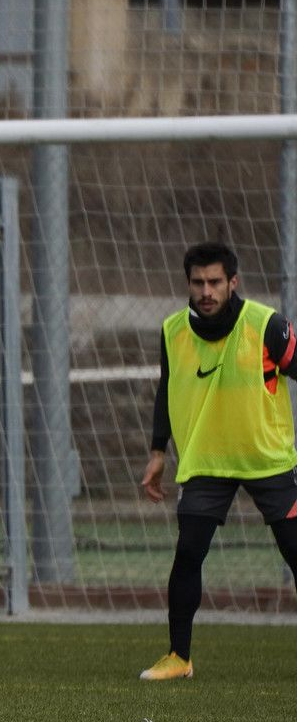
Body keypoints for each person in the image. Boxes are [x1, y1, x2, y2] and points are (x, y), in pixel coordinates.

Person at [137, 241, 297, 680]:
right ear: (188, 284)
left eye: (214, 282)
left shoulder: (267, 325)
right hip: (207, 460)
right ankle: (179, 657)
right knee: (188, 552)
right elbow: (167, 390)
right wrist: (157, 453)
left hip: (267, 460)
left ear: (233, 282)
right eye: (198, 283)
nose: (206, 291)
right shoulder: (173, 330)